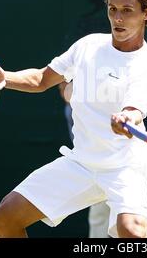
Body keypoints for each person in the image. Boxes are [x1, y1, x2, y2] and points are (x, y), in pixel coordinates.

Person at [0, 0, 147, 238]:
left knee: (131, 232)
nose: (117, 18)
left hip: (124, 168)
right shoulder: (88, 46)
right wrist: (7, 78)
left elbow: (134, 111)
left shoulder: (146, 67)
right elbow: (41, 79)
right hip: (81, 162)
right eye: (112, 8)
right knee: (6, 216)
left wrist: (127, 119)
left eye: (127, 10)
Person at [58, 81, 110, 238]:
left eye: (68, 85)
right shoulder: (70, 110)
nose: (64, 90)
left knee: (129, 226)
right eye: (60, 88)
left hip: (119, 169)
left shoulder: (96, 105)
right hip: (96, 169)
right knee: (99, 220)